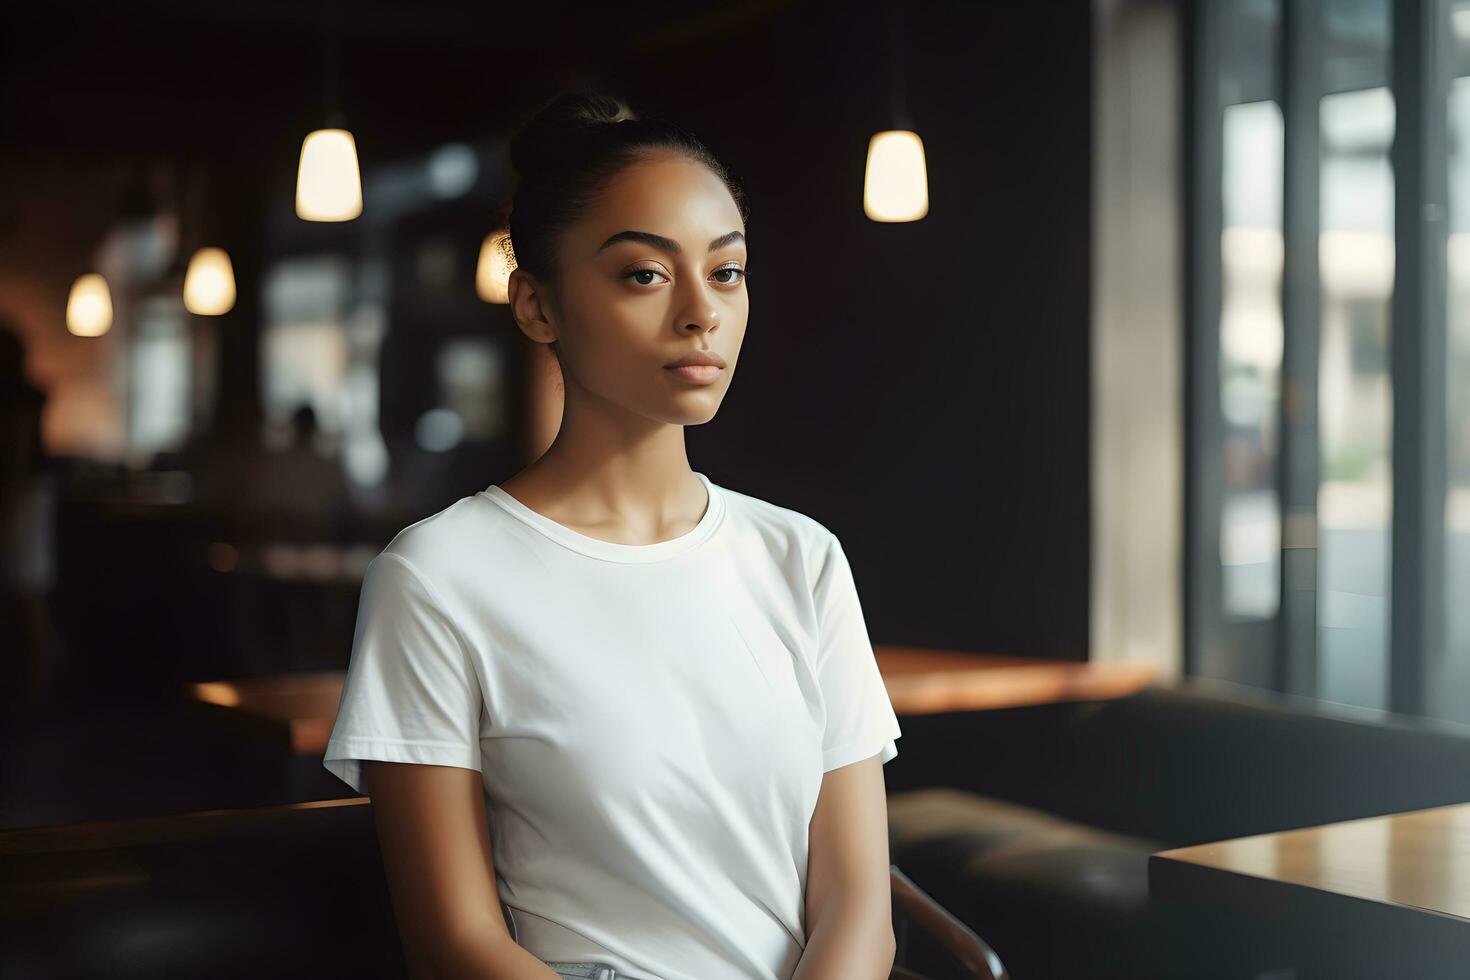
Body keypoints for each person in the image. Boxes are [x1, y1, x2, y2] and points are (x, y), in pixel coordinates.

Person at [322, 91, 902, 980]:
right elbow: (456, 942)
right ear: (536, 307)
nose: (701, 314)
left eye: (727, 271)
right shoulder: (438, 577)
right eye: (645, 274)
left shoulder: (802, 558)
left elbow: (859, 903)